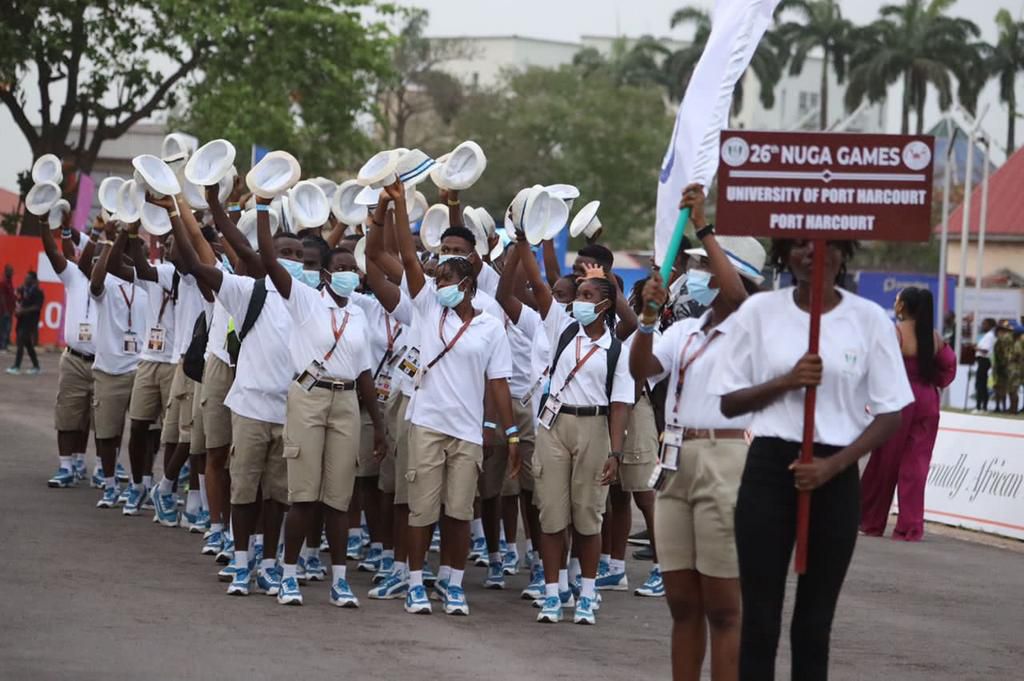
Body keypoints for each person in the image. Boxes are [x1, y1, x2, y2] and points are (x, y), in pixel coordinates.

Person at [710, 239, 914, 681]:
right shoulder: (760, 312)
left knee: (814, 622)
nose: (812, 252)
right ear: (784, 254)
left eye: (826, 244)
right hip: (769, 468)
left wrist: (834, 466)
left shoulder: (868, 320)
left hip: (834, 472)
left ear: (844, 253)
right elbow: (729, 401)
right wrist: (787, 381)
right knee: (760, 620)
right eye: (799, 244)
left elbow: (891, 411)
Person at [630, 183, 766, 681]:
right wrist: (646, 319)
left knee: (724, 607)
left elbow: (734, 294)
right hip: (674, 461)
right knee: (682, 602)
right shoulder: (684, 330)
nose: (696, 275)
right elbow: (641, 368)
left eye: (706, 265)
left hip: (726, 462)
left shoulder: (753, 322)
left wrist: (703, 225)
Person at [367, 182, 519, 617]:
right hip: (427, 423)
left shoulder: (490, 326)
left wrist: (508, 436)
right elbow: (408, 258)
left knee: (457, 512)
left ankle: (452, 584)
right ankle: (416, 582)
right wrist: (395, 206)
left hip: (467, 430)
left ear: (468, 284)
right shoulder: (429, 306)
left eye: (450, 278)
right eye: (439, 278)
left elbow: (499, 384)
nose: (441, 283)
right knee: (421, 510)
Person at [257, 202, 384, 608]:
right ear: (327, 274)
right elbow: (266, 257)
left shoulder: (361, 316)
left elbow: (364, 374)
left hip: (347, 401)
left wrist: (379, 424)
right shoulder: (305, 300)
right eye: (341, 268)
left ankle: (339, 581)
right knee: (304, 495)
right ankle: (289, 574)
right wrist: (262, 207)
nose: (350, 274)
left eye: (354, 268)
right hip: (309, 397)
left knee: (339, 498)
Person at [169, 192, 294, 597]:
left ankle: (269, 562)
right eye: (282, 251)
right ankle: (241, 562)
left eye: (299, 255)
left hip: (291, 412)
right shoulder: (246, 291)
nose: (290, 260)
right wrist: (179, 209)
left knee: (277, 495)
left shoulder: (311, 300)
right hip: (251, 408)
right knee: (243, 487)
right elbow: (197, 260)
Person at [514, 226, 634, 626]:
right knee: (551, 514)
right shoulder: (560, 326)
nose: (578, 302)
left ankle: (586, 592)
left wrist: (615, 452)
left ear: (604, 305)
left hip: (595, 429)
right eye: (578, 295)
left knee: (588, 516)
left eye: (587, 297)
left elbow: (620, 405)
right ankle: (552, 593)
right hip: (554, 426)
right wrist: (523, 241)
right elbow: (538, 279)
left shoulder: (615, 347)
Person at [860, 287, 956, 541]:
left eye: (897, 299)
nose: (895, 302)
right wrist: (930, 380)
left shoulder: (895, 332)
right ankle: (910, 526)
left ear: (902, 306)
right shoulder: (934, 337)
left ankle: (872, 521)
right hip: (927, 402)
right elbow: (948, 367)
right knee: (916, 465)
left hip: (899, 401)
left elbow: (878, 365)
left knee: (884, 463)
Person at [89, 224, 150, 508]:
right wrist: (114, 239)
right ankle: (110, 485)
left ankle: (143, 485)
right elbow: (95, 284)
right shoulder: (109, 282)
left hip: (140, 368)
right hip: (109, 369)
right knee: (107, 433)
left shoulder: (148, 282)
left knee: (143, 431)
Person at [40, 214, 97, 486]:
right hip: (74, 358)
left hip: (102, 362)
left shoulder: (111, 280)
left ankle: (87, 463)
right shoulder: (73, 275)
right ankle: (66, 466)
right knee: (68, 413)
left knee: (94, 418)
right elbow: (53, 253)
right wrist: (44, 225)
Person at [7, 270, 44, 375]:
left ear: (33, 280)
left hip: (30, 321)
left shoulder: (38, 292)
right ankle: (36, 366)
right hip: (22, 320)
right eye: (25, 277)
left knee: (20, 342)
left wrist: (23, 310)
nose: (25, 279)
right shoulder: (24, 290)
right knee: (28, 345)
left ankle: (16, 366)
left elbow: (37, 307)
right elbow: (19, 301)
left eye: (28, 278)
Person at [974, 318, 996, 412]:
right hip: (982, 361)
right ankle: (981, 406)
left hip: (984, 360)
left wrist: (976, 348)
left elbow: (985, 350)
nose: (983, 326)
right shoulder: (986, 335)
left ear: (990, 325)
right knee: (980, 384)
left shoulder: (989, 336)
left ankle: (981, 407)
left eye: (985, 324)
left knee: (981, 384)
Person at [0, 264, 15, 352]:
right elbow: (1, 297)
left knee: (8, 328)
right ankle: (2, 346)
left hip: (10, 310)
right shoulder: (3, 282)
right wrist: (5, 310)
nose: (12, 272)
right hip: (3, 311)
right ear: (6, 272)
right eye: (10, 271)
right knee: (3, 328)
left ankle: (4, 345)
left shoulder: (9, 282)